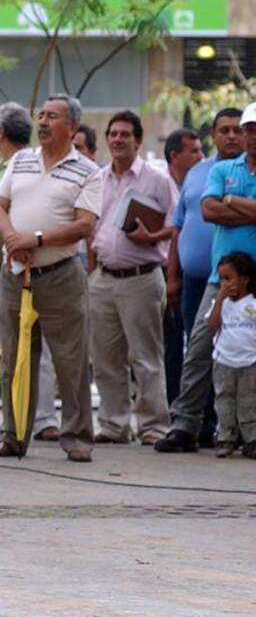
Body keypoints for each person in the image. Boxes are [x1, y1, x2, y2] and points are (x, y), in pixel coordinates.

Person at [0, 94, 102, 462]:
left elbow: (84, 224)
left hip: (61, 275)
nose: (43, 122)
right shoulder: (19, 160)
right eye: (41, 115)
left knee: (71, 359)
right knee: (16, 359)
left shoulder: (88, 171)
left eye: (52, 116)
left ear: (72, 127)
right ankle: (13, 436)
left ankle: (78, 436)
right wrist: (11, 239)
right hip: (16, 272)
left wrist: (34, 240)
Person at [157, 102, 256, 453]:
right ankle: (185, 425)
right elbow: (208, 210)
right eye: (248, 129)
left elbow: (220, 208)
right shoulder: (217, 169)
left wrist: (231, 202)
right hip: (221, 278)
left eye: (250, 129)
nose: (248, 136)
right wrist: (241, 207)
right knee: (199, 346)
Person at [89, 110, 178, 444]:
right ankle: (114, 425)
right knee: (105, 358)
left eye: (126, 134)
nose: (118, 140)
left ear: (138, 141)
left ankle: (154, 426)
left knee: (145, 358)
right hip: (103, 278)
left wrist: (150, 236)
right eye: (113, 134)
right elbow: (92, 225)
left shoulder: (157, 179)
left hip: (142, 277)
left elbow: (174, 225)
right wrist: (92, 270)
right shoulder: (99, 177)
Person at [0, 103, 60, 441]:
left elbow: (0, 210)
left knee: (34, 347)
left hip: (24, 269)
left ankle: (42, 420)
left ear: (0, 133)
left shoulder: (28, 165)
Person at [161, 126, 204, 414]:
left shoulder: (203, 178)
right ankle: (174, 411)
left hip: (203, 278)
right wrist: (173, 279)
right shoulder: (159, 182)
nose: (200, 156)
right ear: (175, 155)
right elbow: (176, 230)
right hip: (171, 277)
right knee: (173, 350)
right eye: (194, 151)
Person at [206, 251, 256, 459]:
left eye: (228, 278)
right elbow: (212, 325)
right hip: (224, 361)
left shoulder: (253, 304)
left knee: (249, 401)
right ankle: (226, 437)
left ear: (245, 278)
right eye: (221, 279)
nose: (224, 284)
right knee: (224, 399)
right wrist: (219, 299)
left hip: (250, 362)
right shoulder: (222, 304)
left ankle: (251, 439)